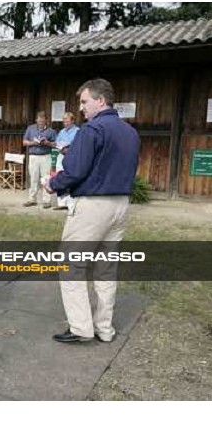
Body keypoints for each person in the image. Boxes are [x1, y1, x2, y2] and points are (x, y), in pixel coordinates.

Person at [44, 78, 140, 344]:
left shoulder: (91, 129)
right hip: (121, 204)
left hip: (94, 207)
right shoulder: (130, 132)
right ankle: (104, 329)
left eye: (84, 102)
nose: (82, 108)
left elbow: (75, 170)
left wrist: (53, 184)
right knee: (106, 269)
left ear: (101, 100)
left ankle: (80, 328)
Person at [22, 111, 57, 208]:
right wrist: (33, 142)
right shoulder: (30, 129)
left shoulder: (51, 131)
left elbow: (56, 144)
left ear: (46, 120)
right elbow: (24, 142)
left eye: (43, 120)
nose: (41, 121)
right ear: (36, 120)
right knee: (33, 178)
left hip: (46, 156)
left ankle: (47, 201)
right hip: (33, 156)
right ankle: (31, 199)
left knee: (46, 179)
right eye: (39, 120)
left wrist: (47, 143)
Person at [52, 111, 80, 210]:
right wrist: (57, 144)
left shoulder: (78, 131)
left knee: (69, 178)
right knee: (60, 176)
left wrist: (67, 145)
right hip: (61, 156)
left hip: (71, 157)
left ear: (72, 121)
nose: (66, 124)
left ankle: (71, 203)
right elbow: (57, 142)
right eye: (64, 122)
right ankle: (61, 203)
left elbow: (77, 144)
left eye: (67, 122)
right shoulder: (62, 131)